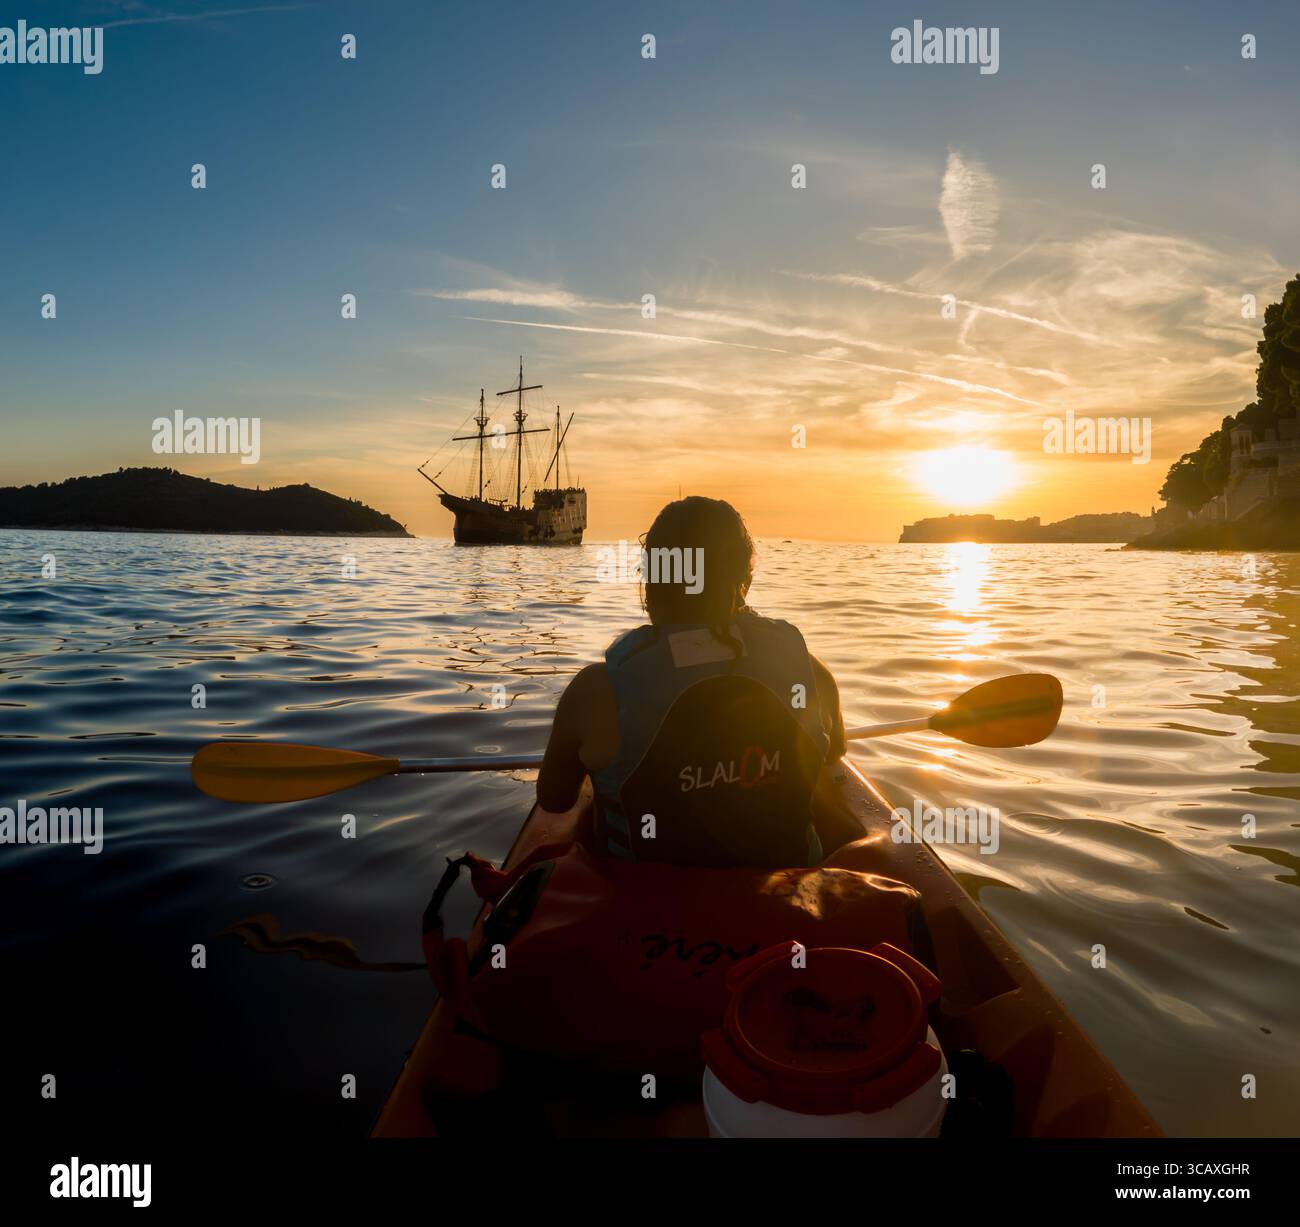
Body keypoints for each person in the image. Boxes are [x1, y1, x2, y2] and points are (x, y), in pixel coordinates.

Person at [537, 496, 846, 867]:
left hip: (649, 897)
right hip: (784, 891)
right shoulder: (812, 673)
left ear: (652, 582)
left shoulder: (594, 692)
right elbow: (833, 753)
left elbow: (555, 800)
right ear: (745, 581)